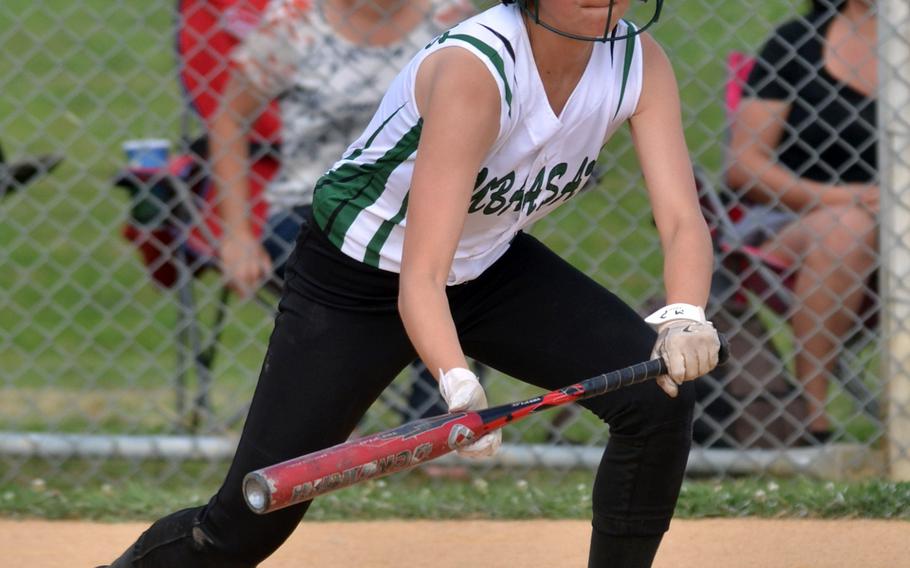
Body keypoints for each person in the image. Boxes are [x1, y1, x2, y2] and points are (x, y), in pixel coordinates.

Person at [103, 1, 721, 566]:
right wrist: (458, 388)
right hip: (357, 279)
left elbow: (679, 217)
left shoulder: (637, 60)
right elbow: (420, 275)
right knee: (247, 525)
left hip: (485, 263)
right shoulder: (475, 72)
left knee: (656, 397)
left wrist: (686, 312)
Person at [211, 0, 476, 424]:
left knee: (467, 265)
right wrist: (237, 234)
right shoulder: (296, 21)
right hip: (314, 207)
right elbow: (228, 118)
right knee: (390, 279)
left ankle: (443, 424)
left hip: (419, 206)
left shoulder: (449, 18)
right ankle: (319, 422)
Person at [726, 0, 877, 444]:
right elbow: (745, 166)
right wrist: (847, 198)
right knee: (846, 227)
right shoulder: (797, 44)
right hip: (792, 220)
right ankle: (813, 421)